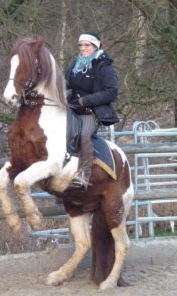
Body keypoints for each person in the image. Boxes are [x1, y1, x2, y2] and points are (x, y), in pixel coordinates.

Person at [65, 31, 119, 188]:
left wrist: (86, 100)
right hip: (71, 109)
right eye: (80, 45)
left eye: (87, 45)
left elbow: (111, 92)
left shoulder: (104, 67)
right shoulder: (75, 64)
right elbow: (66, 83)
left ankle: (84, 174)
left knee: (83, 135)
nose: (83, 48)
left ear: (95, 46)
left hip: (92, 112)